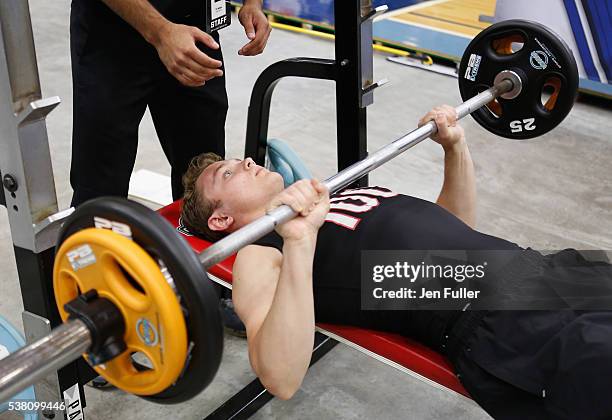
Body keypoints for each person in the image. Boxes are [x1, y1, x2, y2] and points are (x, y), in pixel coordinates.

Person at [179, 106, 612, 419]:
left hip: (538, 271)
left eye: (239, 158)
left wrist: (454, 149)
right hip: (499, 322)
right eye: (229, 173)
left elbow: (456, 232)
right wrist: (298, 240)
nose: (247, 161)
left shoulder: (336, 195)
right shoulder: (262, 252)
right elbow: (280, 377)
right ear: (220, 219)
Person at [70, 0, 271, 206]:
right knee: (100, 184)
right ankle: (94, 234)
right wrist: (161, 33)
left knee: (205, 179)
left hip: (194, 31)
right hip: (113, 32)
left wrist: (252, 4)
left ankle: (199, 234)